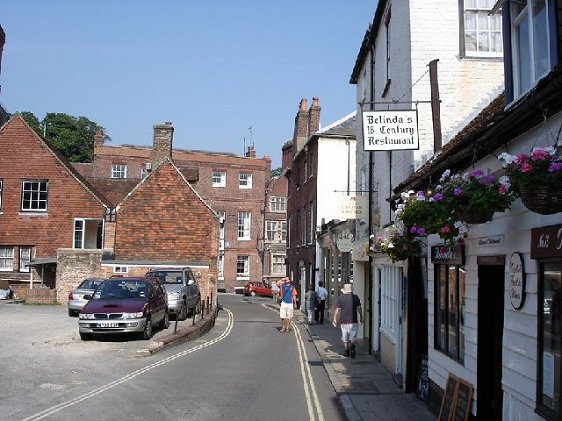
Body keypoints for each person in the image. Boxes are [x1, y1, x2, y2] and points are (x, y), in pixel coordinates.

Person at [332, 283, 363, 358]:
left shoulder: (340, 298)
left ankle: (346, 351)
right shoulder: (355, 297)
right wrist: (361, 317)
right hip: (353, 321)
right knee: (353, 337)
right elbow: (359, 308)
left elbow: (337, 310)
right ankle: (352, 347)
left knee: (345, 337)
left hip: (344, 321)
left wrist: (335, 320)